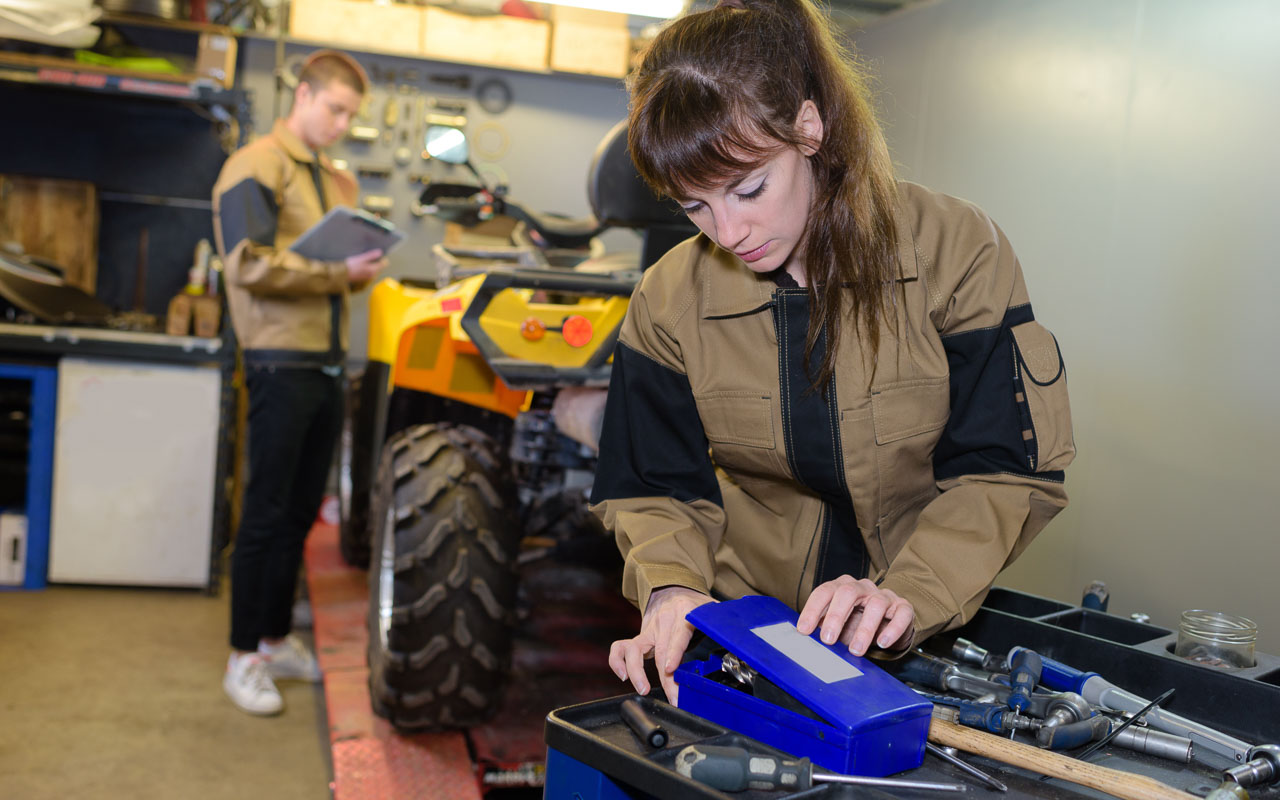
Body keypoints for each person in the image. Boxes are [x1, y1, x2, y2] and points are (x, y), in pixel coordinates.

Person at [591, 0, 1075, 705]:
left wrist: (908, 593)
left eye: (748, 188)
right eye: (694, 206)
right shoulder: (669, 297)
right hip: (746, 638)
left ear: (809, 127)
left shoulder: (955, 252)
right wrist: (670, 587)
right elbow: (653, 486)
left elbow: (1003, 471)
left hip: (922, 633)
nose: (727, 231)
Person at [212, 50, 387, 715]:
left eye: (351, 114)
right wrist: (338, 276)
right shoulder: (253, 166)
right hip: (278, 362)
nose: (342, 123)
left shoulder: (334, 181)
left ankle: (275, 636)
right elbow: (247, 264)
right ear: (304, 94)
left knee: (296, 514)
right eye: (335, 108)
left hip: (323, 363)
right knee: (263, 513)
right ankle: (241, 656)